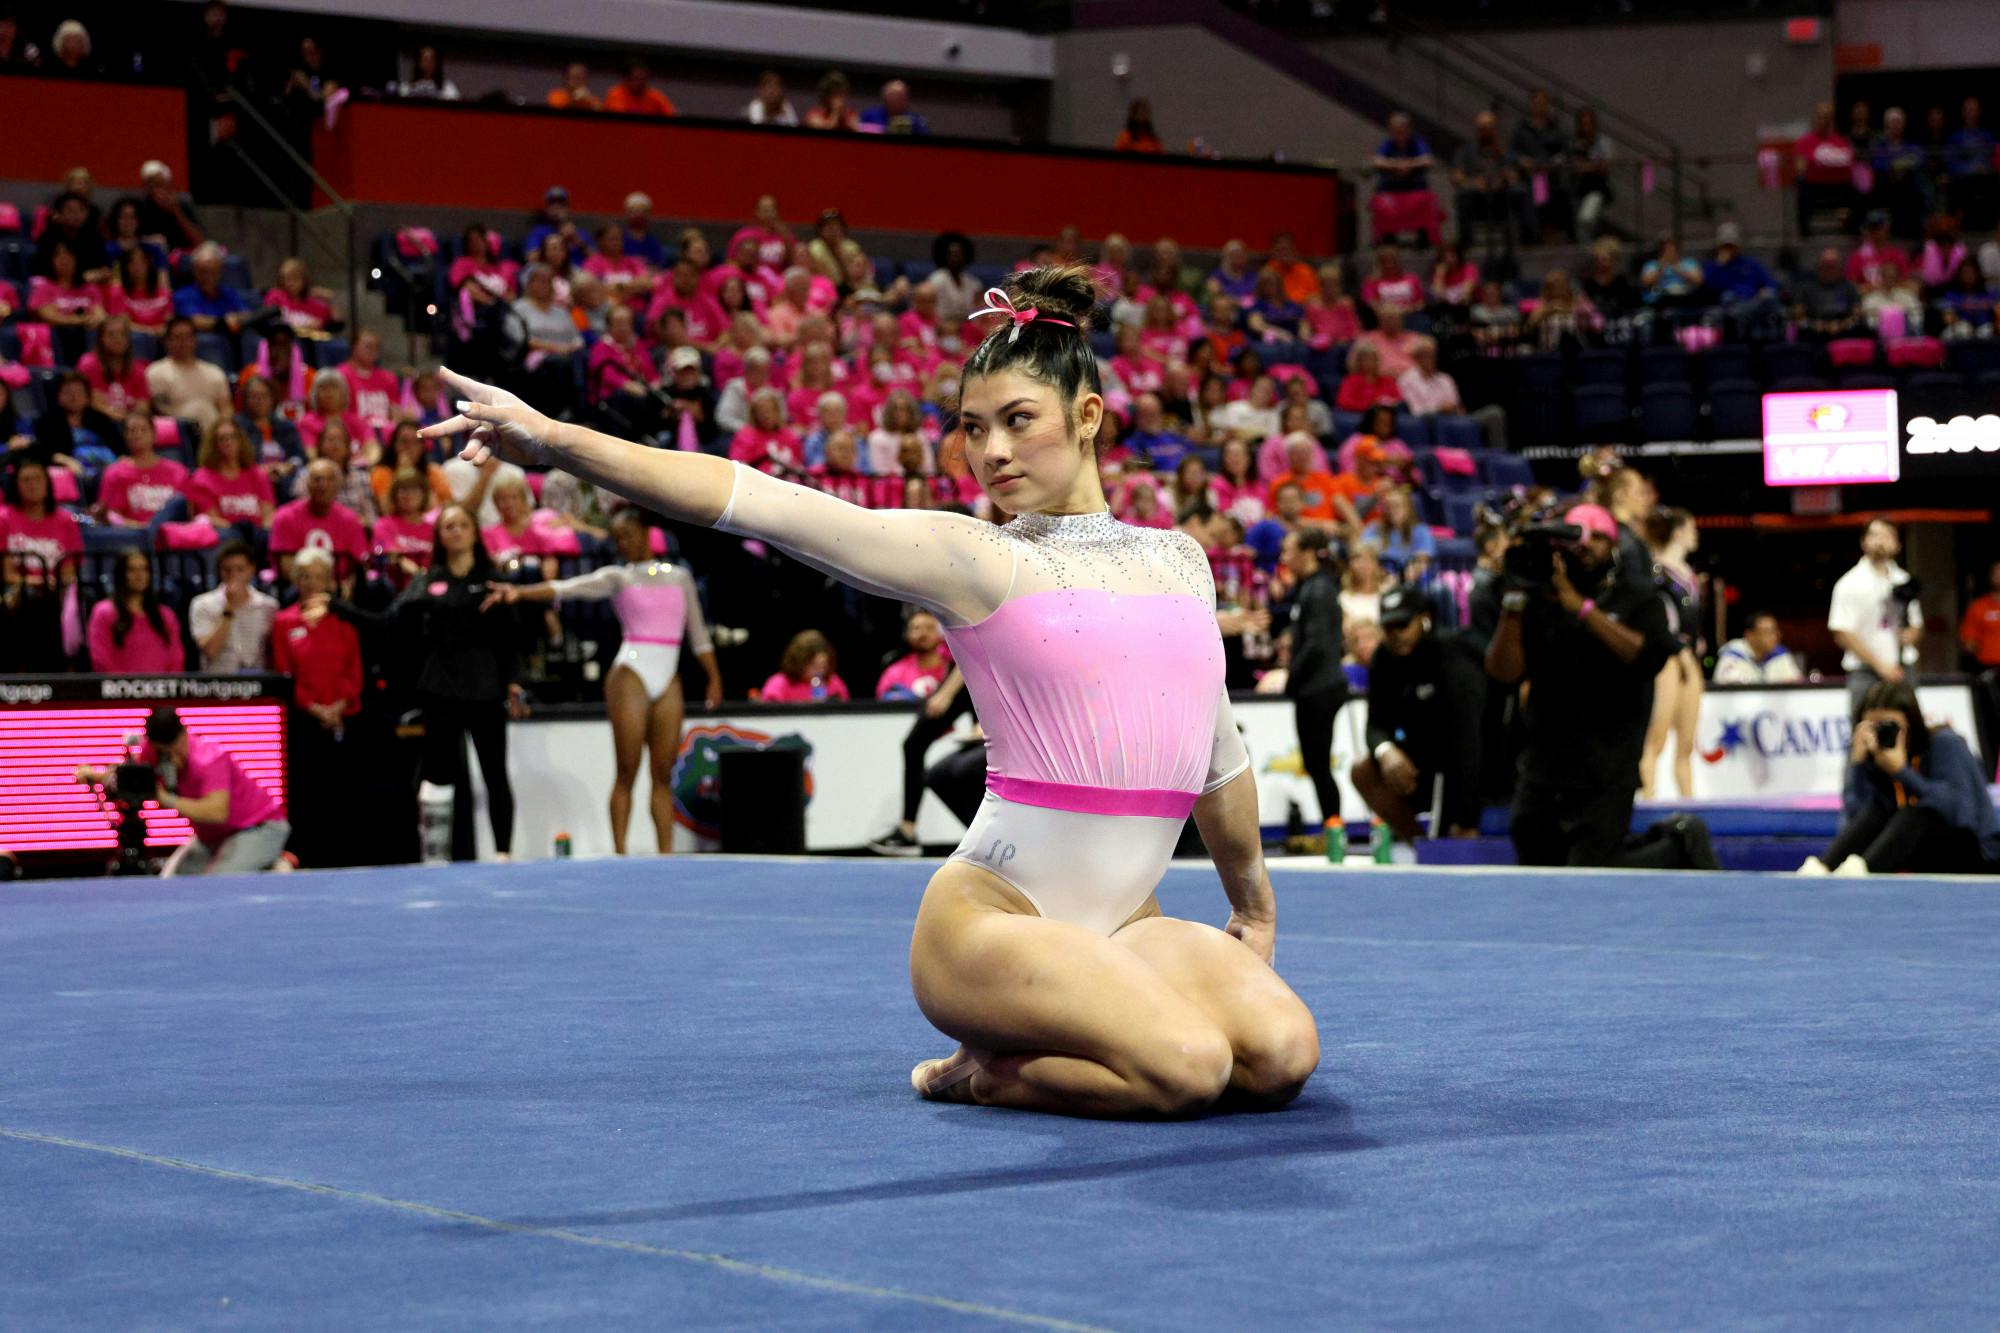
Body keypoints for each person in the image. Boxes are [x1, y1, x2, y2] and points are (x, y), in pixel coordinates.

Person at [422, 263, 1319, 1117]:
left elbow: (1217, 754)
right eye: (972, 427)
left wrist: (1252, 901)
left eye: (1016, 419)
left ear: (1088, 415)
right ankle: (980, 1076)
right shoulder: (981, 557)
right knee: (1191, 1070)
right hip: (990, 926)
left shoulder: (1181, 561)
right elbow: (761, 500)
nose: (991, 451)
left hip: (1127, 924)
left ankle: (1064, 1045)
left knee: (1281, 1055)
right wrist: (560, 442)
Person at [489, 509, 721, 855]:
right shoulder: (618, 578)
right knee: (626, 770)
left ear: (646, 532)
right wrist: (519, 593)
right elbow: (567, 588)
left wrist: (713, 677)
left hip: (668, 675)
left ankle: (667, 856)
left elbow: (699, 634)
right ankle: (620, 853)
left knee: (663, 774)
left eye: (629, 534)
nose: (624, 543)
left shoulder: (679, 577)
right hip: (631, 673)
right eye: (618, 538)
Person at [323, 503, 527, 860]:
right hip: (441, 694)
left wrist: (514, 683)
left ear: (475, 532)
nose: (456, 531)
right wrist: (339, 607)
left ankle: (503, 855)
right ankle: (436, 854)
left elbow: (512, 641)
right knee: (437, 777)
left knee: (495, 774)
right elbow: (385, 623)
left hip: (486, 693)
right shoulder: (426, 582)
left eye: (463, 524)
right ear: (439, 536)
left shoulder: (495, 581)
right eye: (449, 526)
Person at [1484, 502, 1678, 868]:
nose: (1587, 545)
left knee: (1592, 877)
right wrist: (1512, 601)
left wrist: (1581, 607)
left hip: (1606, 768)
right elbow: (1504, 672)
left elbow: (1644, 654)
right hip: (1543, 767)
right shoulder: (1538, 594)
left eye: (1599, 536)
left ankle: (1677, 847)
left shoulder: (1636, 596)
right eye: (1577, 537)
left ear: (1615, 546)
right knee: (1534, 870)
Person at [1800, 682, 1999, 876]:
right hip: (1915, 847)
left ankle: (1862, 871)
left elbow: (1959, 813)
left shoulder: (1944, 743)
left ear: (1911, 724)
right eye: (1872, 727)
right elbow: (1855, 817)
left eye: (1890, 726)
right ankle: (1822, 868)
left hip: (1976, 852)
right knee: (1877, 811)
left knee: (1915, 814)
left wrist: (1901, 771)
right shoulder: (1875, 756)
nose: (1881, 734)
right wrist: (1858, 767)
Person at [76, 707, 289, 875]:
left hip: (256, 829)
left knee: (221, 884)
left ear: (183, 733)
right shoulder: (155, 752)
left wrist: (166, 798)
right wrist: (95, 774)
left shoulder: (209, 759)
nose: (171, 757)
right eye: (163, 752)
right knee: (172, 884)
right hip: (211, 840)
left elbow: (217, 813)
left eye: (175, 748)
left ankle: (273, 863)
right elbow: (131, 777)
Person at [1349, 586, 1484, 842]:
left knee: (1458, 838)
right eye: (1389, 627)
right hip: (1417, 762)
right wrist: (1386, 751)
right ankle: (1419, 844)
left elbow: (1468, 741)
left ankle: (1446, 841)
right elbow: (1374, 725)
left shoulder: (1452, 655)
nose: (1396, 634)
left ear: (1424, 619)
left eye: (1403, 624)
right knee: (1363, 770)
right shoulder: (1383, 658)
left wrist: (1467, 818)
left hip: (1461, 761)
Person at [868, 611, 971, 856]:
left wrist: (946, 693)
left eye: (927, 627)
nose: (922, 633)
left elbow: (974, 645)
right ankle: (907, 831)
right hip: (973, 674)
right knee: (914, 745)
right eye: (915, 627)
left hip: (988, 676)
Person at [1280, 526, 1348, 838]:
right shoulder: (1312, 587)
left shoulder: (1317, 590)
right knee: (1316, 762)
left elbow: (1317, 644)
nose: (1284, 557)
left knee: (1319, 763)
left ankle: (1333, 826)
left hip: (1319, 687)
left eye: (1289, 550)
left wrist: (1293, 677)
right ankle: (1331, 825)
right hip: (1317, 686)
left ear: (1307, 553)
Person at [1638, 507, 1704, 801]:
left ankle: (1689, 800)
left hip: (1690, 655)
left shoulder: (1690, 574)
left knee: (1686, 742)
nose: (1695, 535)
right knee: (1657, 737)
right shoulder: (1657, 572)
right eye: (1692, 528)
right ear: (1678, 532)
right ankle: (1648, 794)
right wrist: (1677, 650)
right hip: (1668, 657)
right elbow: (1658, 621)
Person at [1828, 518, 1923, 707]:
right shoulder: (1849, 583)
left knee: (1910, 730)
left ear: (1898, 545)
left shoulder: (1904, 580)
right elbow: (1842, 632)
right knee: (1864, 729)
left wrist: (1912, 634)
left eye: (1888, 535)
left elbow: (1917, 624)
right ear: (1863, 541)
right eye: (1875, 534)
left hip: (1903, 668)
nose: (1881, 541)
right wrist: (1880, 666)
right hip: (1865, 672)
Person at [270, 457, 372, 584]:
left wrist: (348, 587)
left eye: (330, 480)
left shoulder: (351, 520)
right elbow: (286, 568)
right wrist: (321, 585)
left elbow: (360, 564)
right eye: (317, 479)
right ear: (307, 483)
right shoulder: (285, 516)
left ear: (338, 485)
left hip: (340, 588)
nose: (323, 485)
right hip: (298, 588)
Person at [88, 549, 186, 673]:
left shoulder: (166, 615)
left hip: (162, 689)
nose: (139, 575)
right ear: (121, 574)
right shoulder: (103, 612)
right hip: (118, 689)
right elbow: (101, 660)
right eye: (132, 570)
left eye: (144, 569)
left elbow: (176, 659)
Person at [188, 540, 276, 672]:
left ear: (252, 569)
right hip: (218, 684)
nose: (233, 575)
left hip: (258, 684)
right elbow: (210, 651)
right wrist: (228, 609)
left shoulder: (269, 606)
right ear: (220, 571)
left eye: (240, 569)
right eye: (227, 570)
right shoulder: (202, 604)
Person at [147, 316, 232, 433]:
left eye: (188, 337)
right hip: (181, 434)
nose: (183, 342)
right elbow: (159, 410)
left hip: (214, 436)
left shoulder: (214, 372)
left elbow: (225, 408)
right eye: (177, 337)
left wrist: (221, 428)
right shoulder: (156, 372)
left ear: (195, 339)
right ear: (167, 341)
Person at [1794, 100, 1857, 235]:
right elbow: (1800, 167)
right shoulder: (1804, 142)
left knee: (1855, 187)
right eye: (1821, 117)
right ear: (1815, 118)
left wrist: (1819, 162)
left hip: (1838, 185)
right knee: (1801, 184)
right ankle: (1804, 228)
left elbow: (1848, 165)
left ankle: (1849, 226)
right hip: (1813, 186)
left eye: (1827, 117)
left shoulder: (1841, 141)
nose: (1824, 121)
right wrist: (1829, 163)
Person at [759, 629, 851, 701]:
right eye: (814, 666)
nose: (819, 671)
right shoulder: (779, 684)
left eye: (823, 666)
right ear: (799, 663)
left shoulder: (834, 682)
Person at [1713, 611, 1803, 685]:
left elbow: (1795, 682)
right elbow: (1729, 687)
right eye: (1768, 632)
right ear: (1749, 635)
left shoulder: (1780, 654)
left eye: (1775, 631)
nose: (1775, 637)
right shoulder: (1733, 656)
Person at [604, 57, 675, 116]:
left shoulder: (655, 96)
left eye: (643, 79)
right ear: (626, 79)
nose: (640, 83)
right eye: (636, 79)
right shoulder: (616, 94)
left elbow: (672, 116)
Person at [860, 79, 928, 135]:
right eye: (895, 95)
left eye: (903, 96)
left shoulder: (913, 119)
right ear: (885, 97)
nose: (899, 99)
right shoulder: (871, 115)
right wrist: (886, 130)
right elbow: (860, 128)